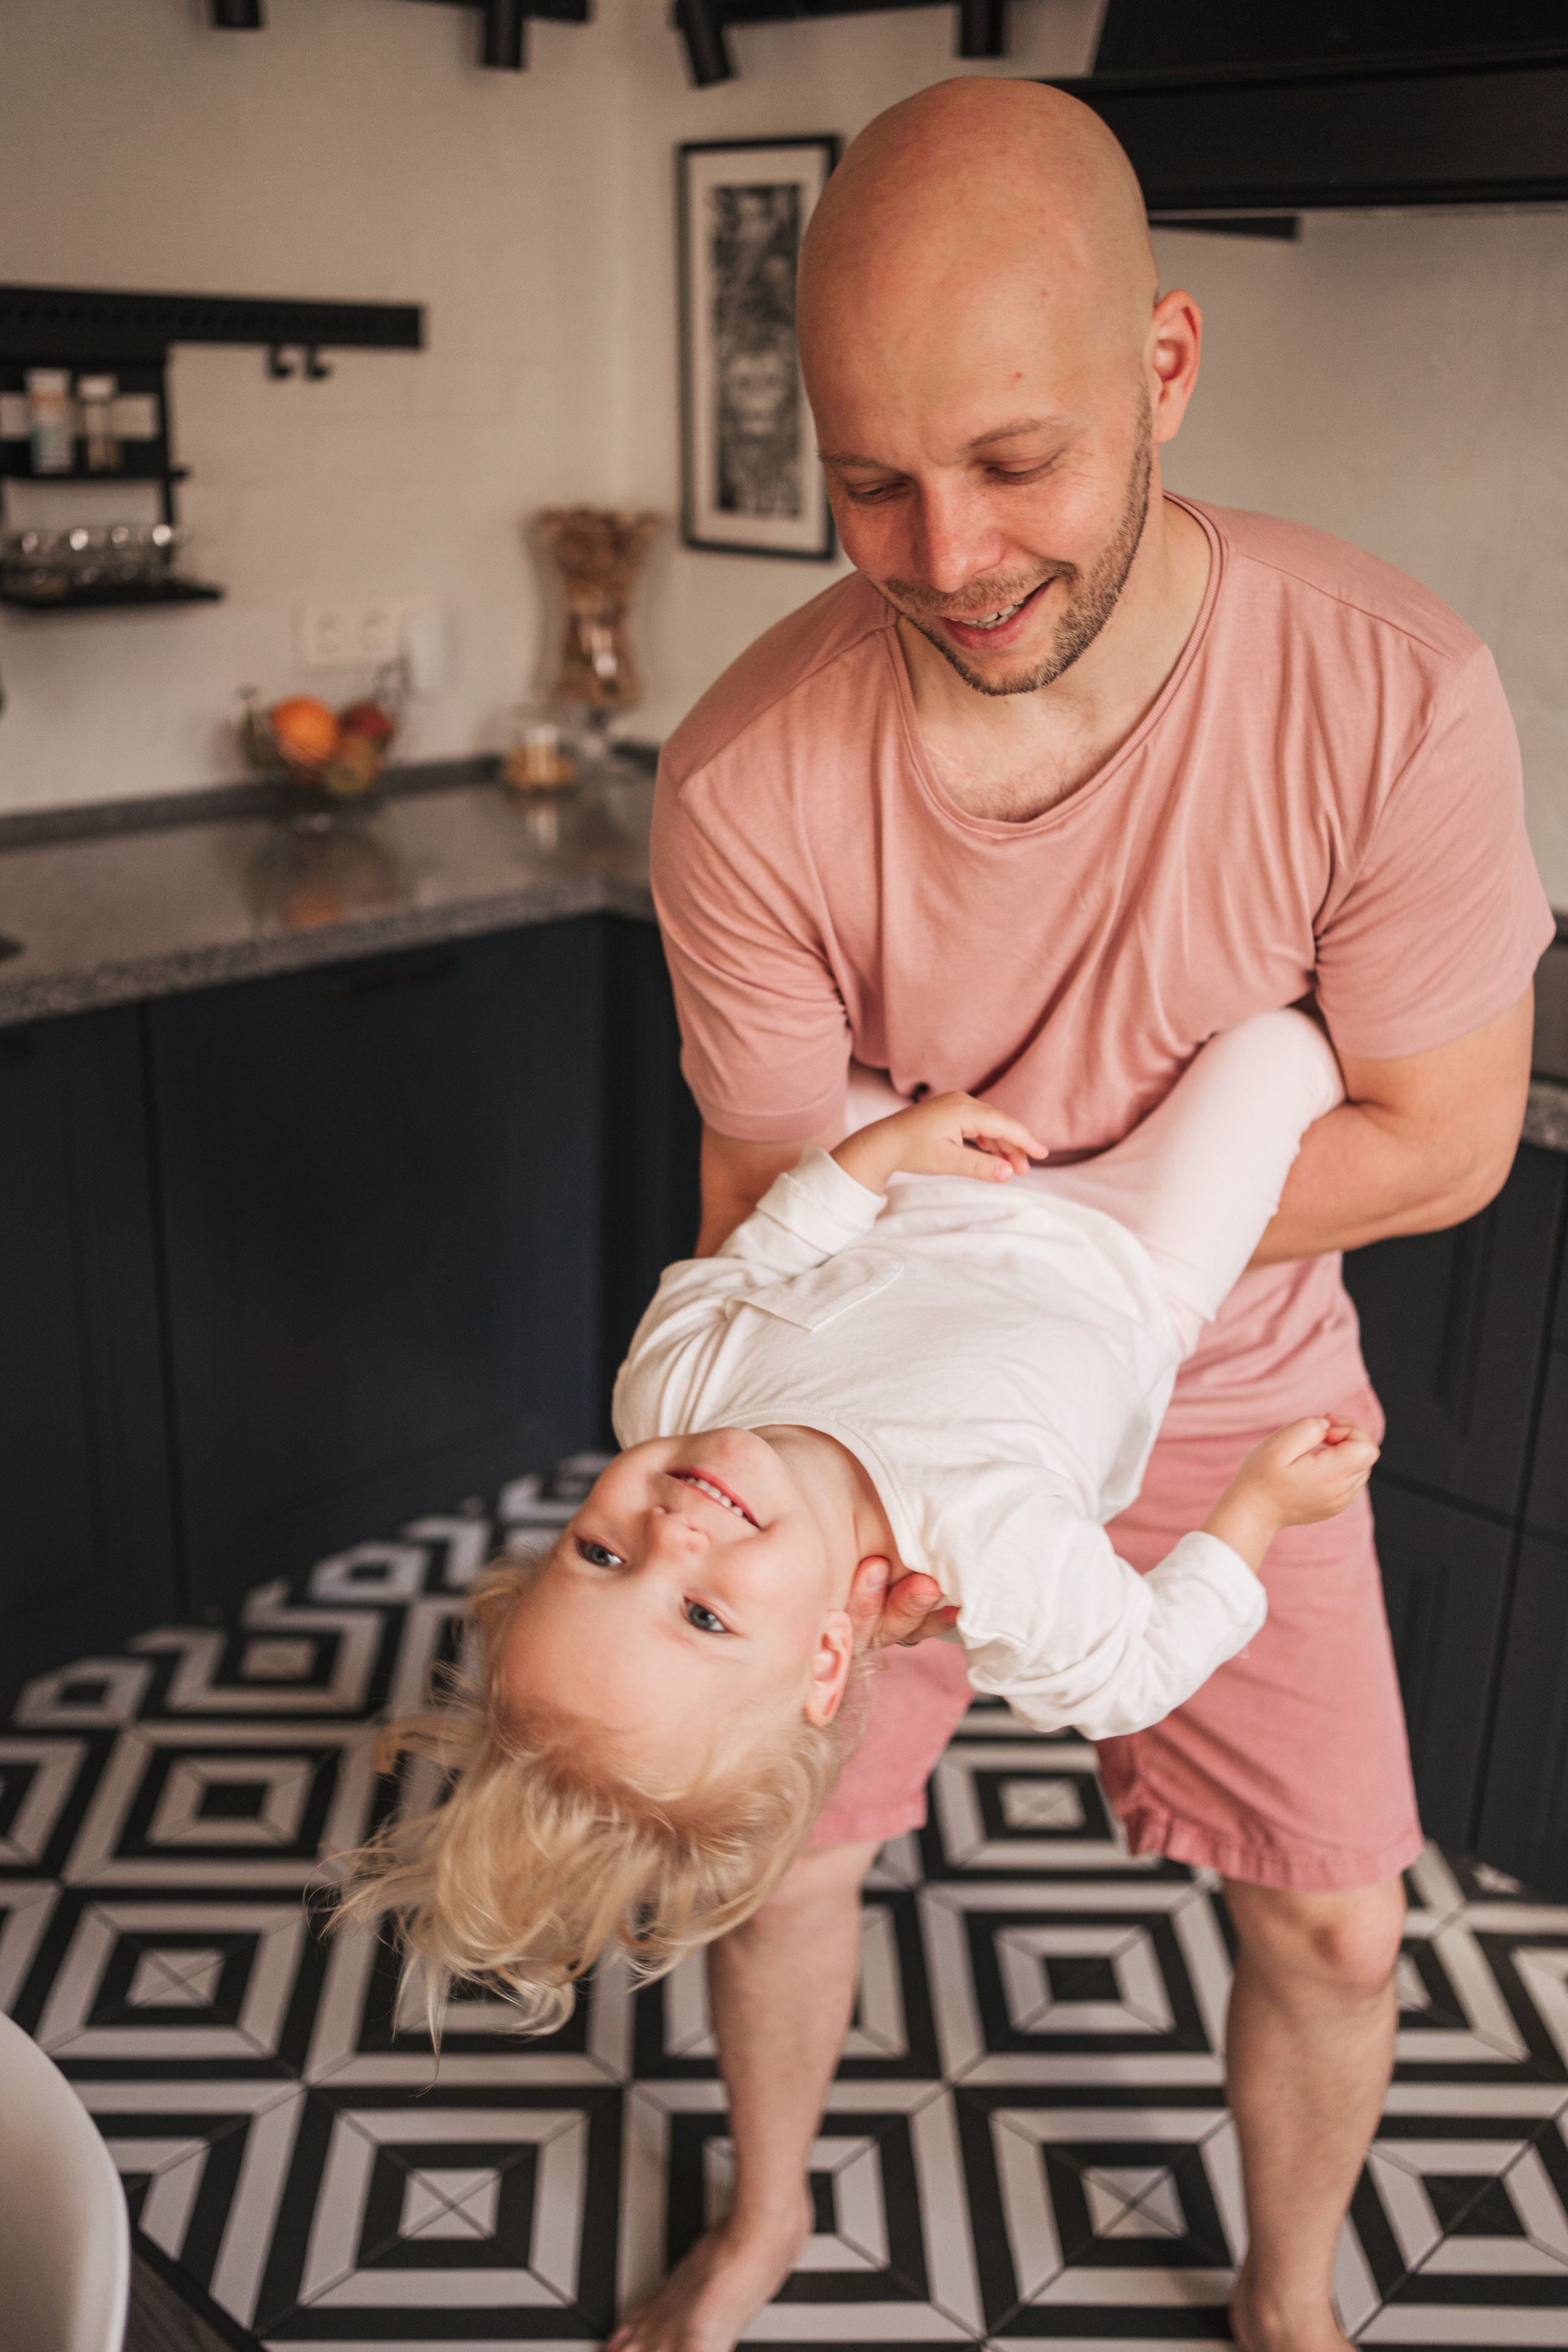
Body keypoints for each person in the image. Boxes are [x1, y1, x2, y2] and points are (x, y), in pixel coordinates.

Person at [630, 73, 1552, 2352]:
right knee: (783, 1862)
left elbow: (1441, 1140)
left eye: (1015, 464)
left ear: (1164, 368)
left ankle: (1288, 2294)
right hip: (858, 1454)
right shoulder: (750, 779)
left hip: (1238, 1413)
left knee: (1342, 1923)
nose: (943, 559)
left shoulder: (1389, 687)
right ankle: (759, 2229)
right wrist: (1011, 1271)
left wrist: (1074, 1256)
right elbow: (766, 1197)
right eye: (871, 484)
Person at [341, 1012, 1375, 2034]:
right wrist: (1258, 1511)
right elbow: (1130, 1677)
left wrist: (867, 1161)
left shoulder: (667, 1397)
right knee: (1275, 1053)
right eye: (703, 1617)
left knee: (818, 1056)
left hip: (918, 1197)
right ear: (827, 1659)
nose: (672, 1538)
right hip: (1134, 1255)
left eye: (600, 1554)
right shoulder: (991, 1557)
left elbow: (750, 1263)